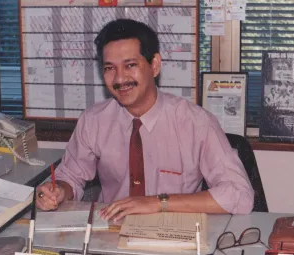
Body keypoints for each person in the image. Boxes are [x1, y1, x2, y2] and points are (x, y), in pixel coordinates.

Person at [36, 18, 254, 221]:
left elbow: (240, 194)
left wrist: (158, 203)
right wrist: (59, 191)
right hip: (111, 235)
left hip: (173, 233)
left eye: (130, 65)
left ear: (155, 65)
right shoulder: (93, 121)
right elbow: (71, 176)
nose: (120, 78)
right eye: (110, 68)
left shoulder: (196, 123)